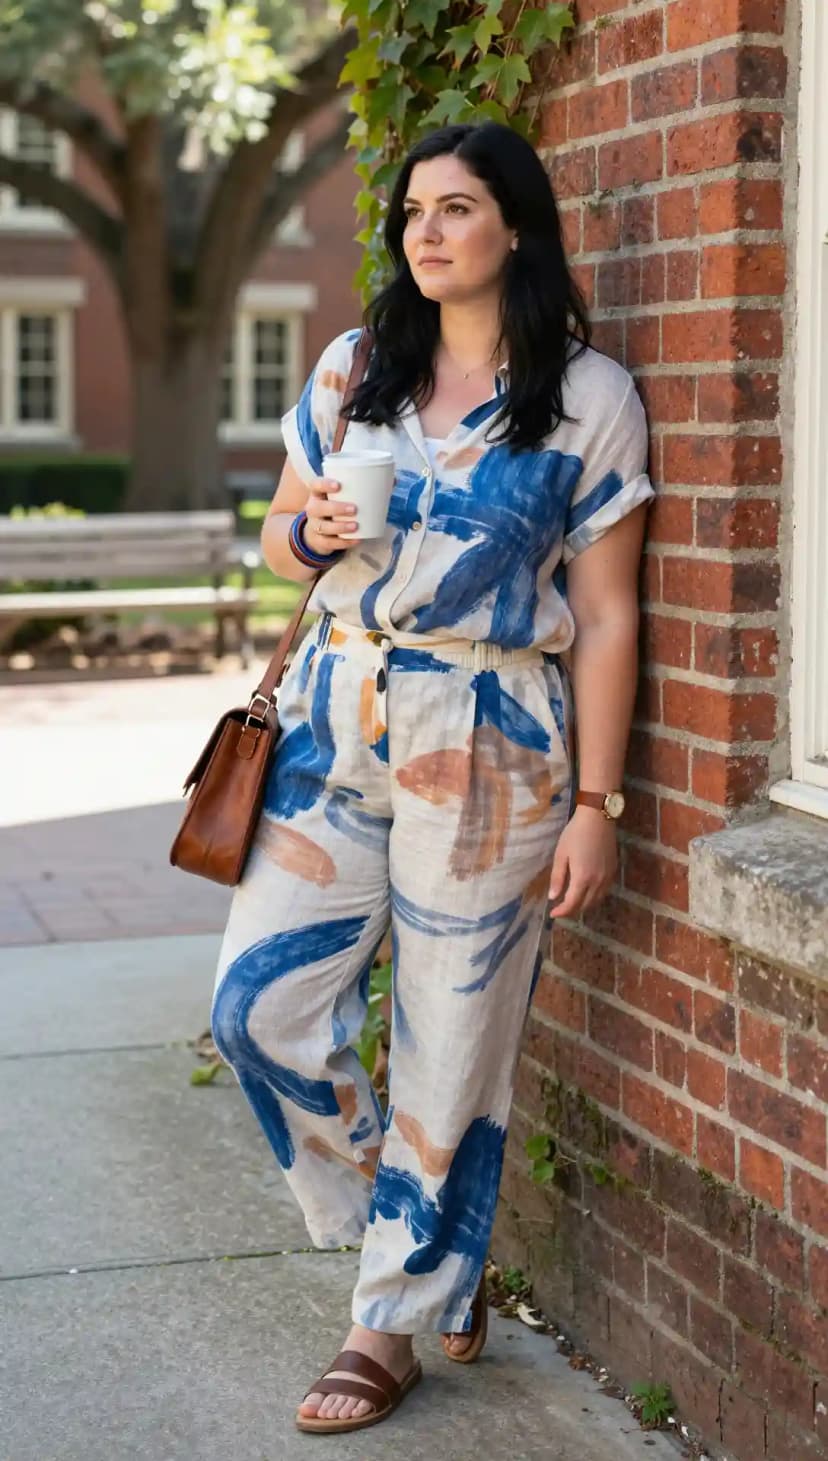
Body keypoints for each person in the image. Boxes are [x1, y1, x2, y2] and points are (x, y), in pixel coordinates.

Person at [211, 120, 654, 1436]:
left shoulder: (588, 397)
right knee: (259, 1009)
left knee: (450, 1049)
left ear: (515, 228)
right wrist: (308, 528)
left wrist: (598, 803)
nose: (426, 230)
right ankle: (428, 1248)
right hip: (337, 714)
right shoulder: (360, 366)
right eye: (413, 210)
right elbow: (285, 539)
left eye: (457, 207)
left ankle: (384, 1323)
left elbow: (612, 614)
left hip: (497, 733)